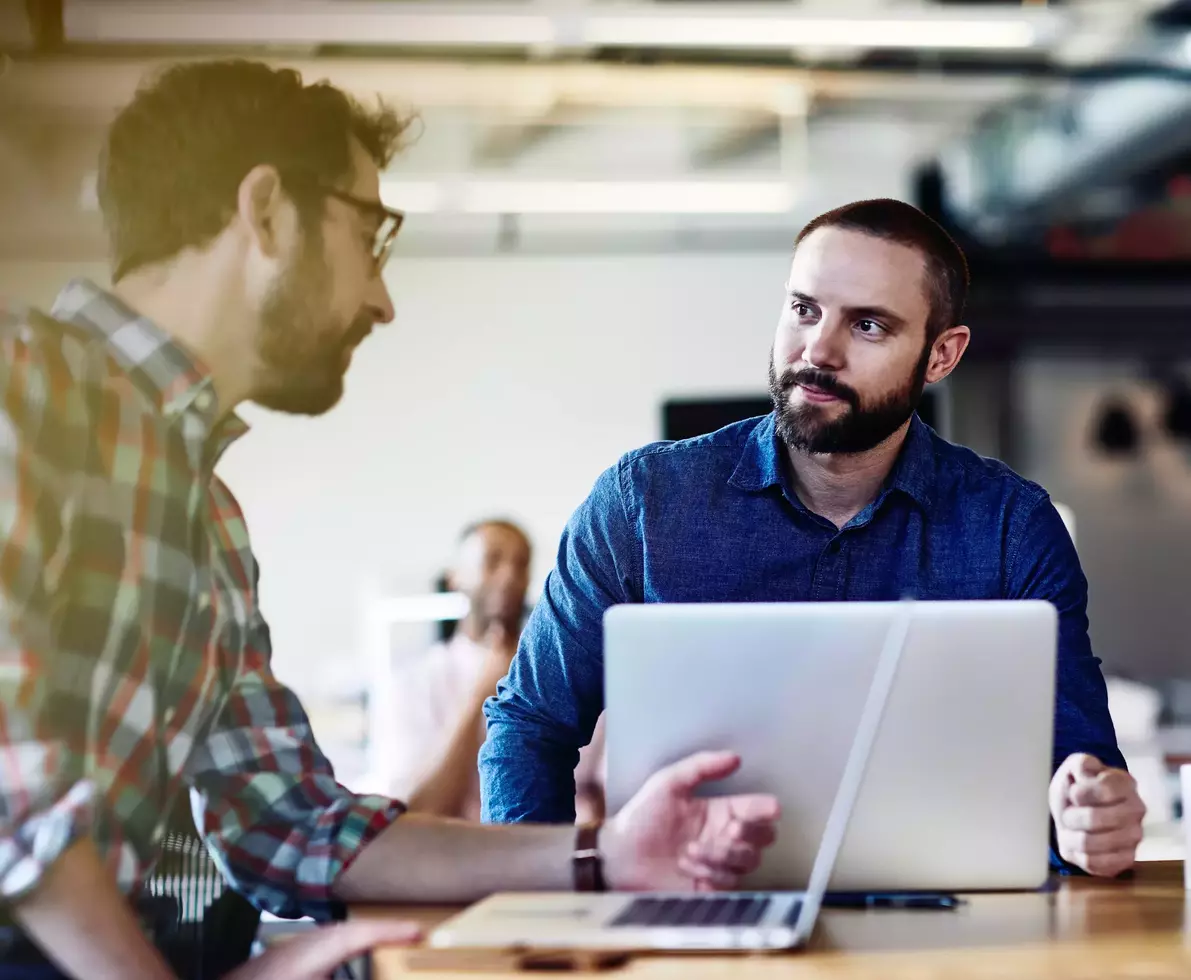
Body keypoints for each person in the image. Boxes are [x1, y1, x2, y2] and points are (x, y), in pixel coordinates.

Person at [0, 60, 781, 980]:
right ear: (265, 212)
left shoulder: (204, 513)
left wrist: (603, 857)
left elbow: (289, 823)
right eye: (369, 235)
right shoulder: (24, 387)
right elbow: (14, 796)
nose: (382, 298)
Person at [479, 199, 1147, 880]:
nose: (817, 351)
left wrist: (1091, 820)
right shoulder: (644, 504)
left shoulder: (1009, 526)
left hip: (946, 922)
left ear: (940, 354)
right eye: (803, 310)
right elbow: (529, 726)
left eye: (866, 324)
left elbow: (1080, 768)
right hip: (694, 913)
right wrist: (546, 896)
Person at [391, 520, 604, 822]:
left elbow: (601, 790)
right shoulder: (414, 682)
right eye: (492, 561)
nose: (509, 576)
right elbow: (420, 810)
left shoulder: (568, 672)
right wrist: (482, 690)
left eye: (521, 564)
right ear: (456, 578)